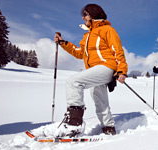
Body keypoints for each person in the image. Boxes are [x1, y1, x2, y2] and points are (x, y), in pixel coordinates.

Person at [53, 4, 127, 137]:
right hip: (95, 70)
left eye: (85, 14)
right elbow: (79, 53)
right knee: (99, 98)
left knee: (73, 82)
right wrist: (63, 43)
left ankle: (74, 124)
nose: (83, 17)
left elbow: (117, 50)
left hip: (106, 66)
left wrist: (121, 71)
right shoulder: (87, 36)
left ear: (93, 14)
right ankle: (108, 127)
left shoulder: (107, 29)